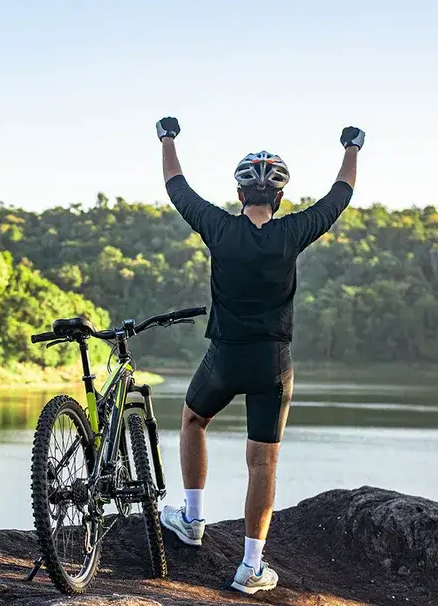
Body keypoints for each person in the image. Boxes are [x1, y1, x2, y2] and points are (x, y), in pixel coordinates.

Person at [154, 116, 364, 595]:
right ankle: (250, 567)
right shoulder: (292, 232)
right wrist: (352, 147)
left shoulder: (219, 228)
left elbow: (176, 186)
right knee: (263, 462)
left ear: (239, 195)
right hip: (273, 364)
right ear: (280, 199)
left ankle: (192, 518)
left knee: (192, 419)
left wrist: (167, 138)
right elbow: (339, 196)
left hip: (225, 359)